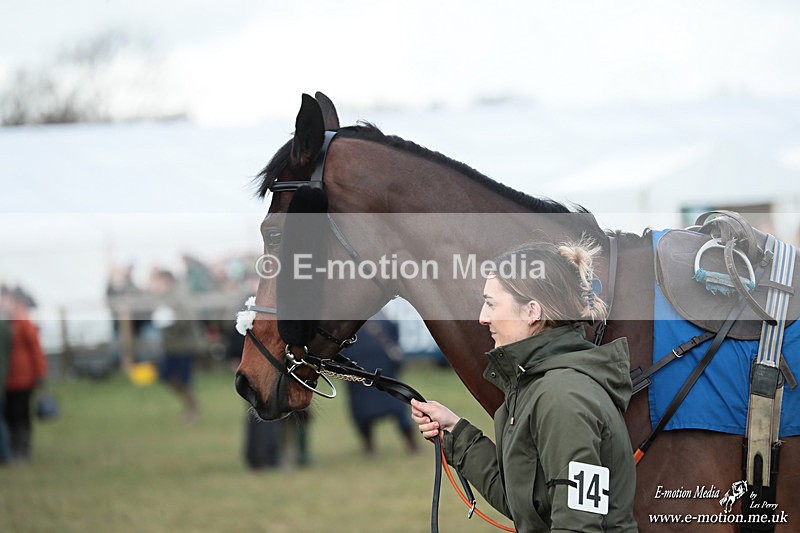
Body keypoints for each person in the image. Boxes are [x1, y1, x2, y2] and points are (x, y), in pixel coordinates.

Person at [411, 240, 637, 532]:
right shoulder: (534, 387)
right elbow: (526, 502)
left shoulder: (563, 397)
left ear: (532, 312)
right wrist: (455, 431)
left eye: (492, 304)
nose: (483, 317)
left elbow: (577, 524)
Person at [345, 315, 418, 456]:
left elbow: (393, 335)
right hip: (360, 372)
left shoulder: (380, 319)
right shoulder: (347, 322)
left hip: (383, 371)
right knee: (363, 415)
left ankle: (411, 444)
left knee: (398, 409)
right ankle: (369, 447)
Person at [150, 269, 204, 424]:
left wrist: (171, 326)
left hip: (184, 345)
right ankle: (191, 406)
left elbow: (187, 316)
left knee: (183, 379)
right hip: (172, 346)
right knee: (166, 375)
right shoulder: (166, 295)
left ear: (165, 280)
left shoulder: (179, 294)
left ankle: (192, 409)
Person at [2, 286, 47, 462]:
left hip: (24, 379)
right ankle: (12, 449)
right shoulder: (5, 323)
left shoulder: (22, 322)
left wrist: (40, 373)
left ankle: (23, 450)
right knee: (10, 415)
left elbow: (36, 349)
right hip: (7, 379)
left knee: (22, 415)